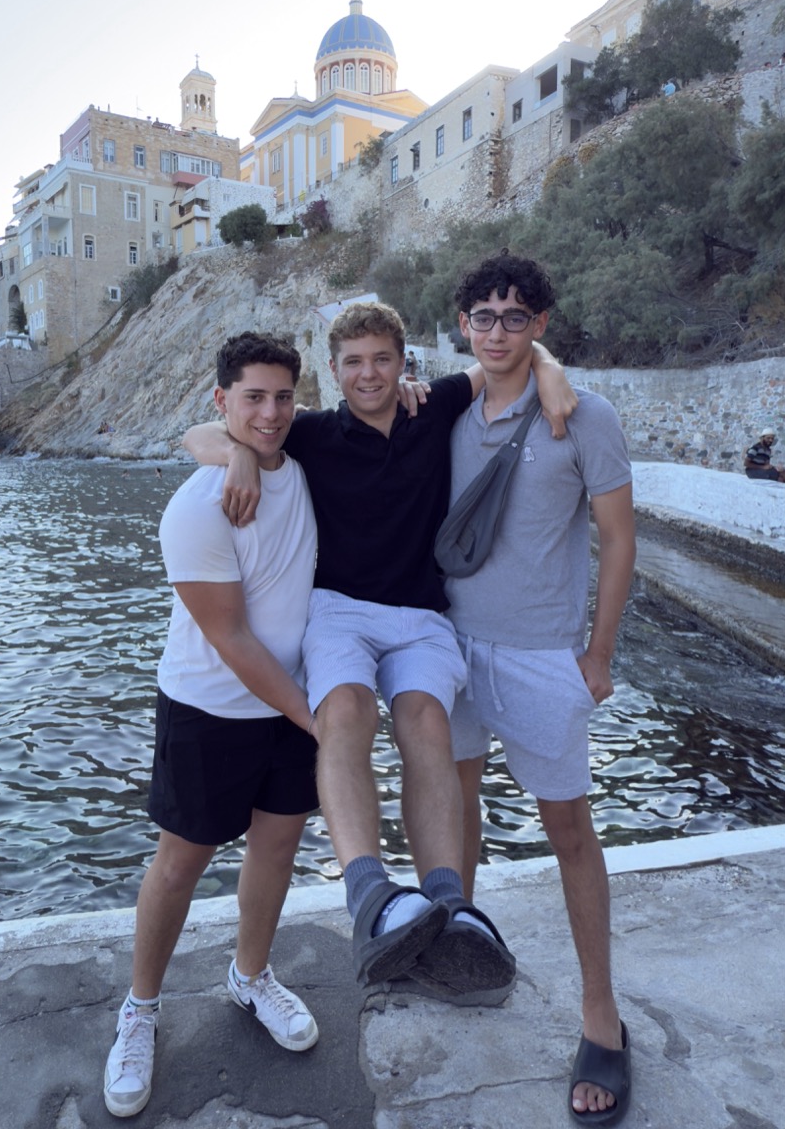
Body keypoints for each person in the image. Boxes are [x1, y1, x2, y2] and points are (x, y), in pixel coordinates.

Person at [184, 301, 576, 1001]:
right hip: (339, 609)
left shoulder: (435, 406)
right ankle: (369, 893)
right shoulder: (311, 433)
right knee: (344, 711)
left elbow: (504, 359)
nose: (369, 375)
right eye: (354, 363)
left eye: (382, 360)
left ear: (403, 364)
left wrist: (548, 367)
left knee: (426, 721)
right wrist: (240, 454)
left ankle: (448, 902)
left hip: (421, 613)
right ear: (333, 371)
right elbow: (199, 433)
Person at [103, 332, 320, 1119]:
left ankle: (250, 976)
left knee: (278, 846)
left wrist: (234, 449)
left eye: (283, 397)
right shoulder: (195, 509)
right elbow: (230, 638)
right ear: (223, 400)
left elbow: (225, 435)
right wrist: (318, 720)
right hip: (210, 709)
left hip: (290, 705)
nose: (270, 413)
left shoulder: (304, 460)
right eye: (252, 397)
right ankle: (139, 1010)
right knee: (179, 865)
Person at [442, 253, 635, 1124]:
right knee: (455, 807)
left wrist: (598, 653)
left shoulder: (584, 417)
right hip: (451, 645)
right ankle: (461, 946)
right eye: (483, 316)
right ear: (462, 326)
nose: (497, 331)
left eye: (515, 316)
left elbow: (618, 539)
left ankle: (602, 1015)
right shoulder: (443, 406)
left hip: (540, 653)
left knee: (569, 831)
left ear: (541, 324)